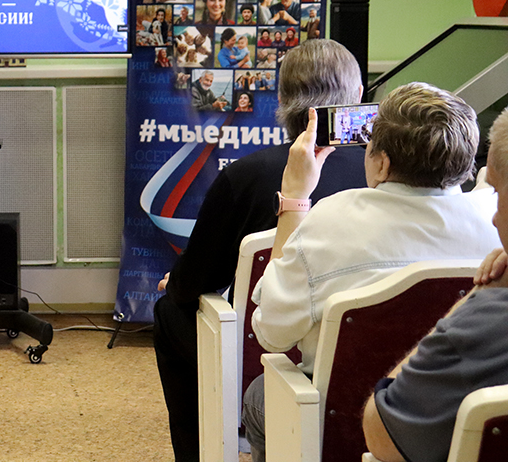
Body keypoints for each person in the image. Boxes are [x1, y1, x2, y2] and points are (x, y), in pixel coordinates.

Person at [242, 83, 501, 462]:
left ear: (381, 163)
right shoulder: (495, 222)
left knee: (259, 395)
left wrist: (295, 196)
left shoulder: (330, 219)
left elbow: (271, 332)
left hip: (344, 427)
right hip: (453, 426)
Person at [155, 40, 367, 462]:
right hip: (362, 350)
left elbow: (195, 282)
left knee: (169, 311)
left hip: (264, 349)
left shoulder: (245, 177)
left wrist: (176, 283)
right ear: (357, 97)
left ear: (282, 100)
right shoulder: (380, 175)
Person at [362, 107, 508, 462]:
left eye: (497, 193)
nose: (493, 216)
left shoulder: (490, 317)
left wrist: (481, 294)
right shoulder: (480, 222)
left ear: (383, 162)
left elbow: (381, 434)